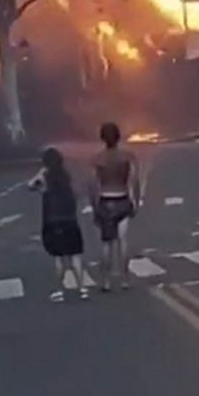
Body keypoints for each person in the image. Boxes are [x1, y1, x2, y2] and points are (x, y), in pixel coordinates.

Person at [28, 148, 88, 302]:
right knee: (75, 255)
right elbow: (77, 193)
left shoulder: (45, 178)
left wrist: (41, 172)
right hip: (69, 218)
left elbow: (31, 186)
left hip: (53, 220)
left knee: (59, 258)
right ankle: (82, 288)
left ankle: (60, 290)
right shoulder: (66, 176)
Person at [89, 122, 140, 291]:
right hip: (122, 199)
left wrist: (94, 206)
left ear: (103, 138)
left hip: (105, 200)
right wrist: (136, 201)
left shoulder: (97, 159)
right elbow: (134, 180)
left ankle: (106, 282)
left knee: (106, 244)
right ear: (118, 137)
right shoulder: (127, 156)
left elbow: (93, 184)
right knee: (123, 242)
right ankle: (125, 279)